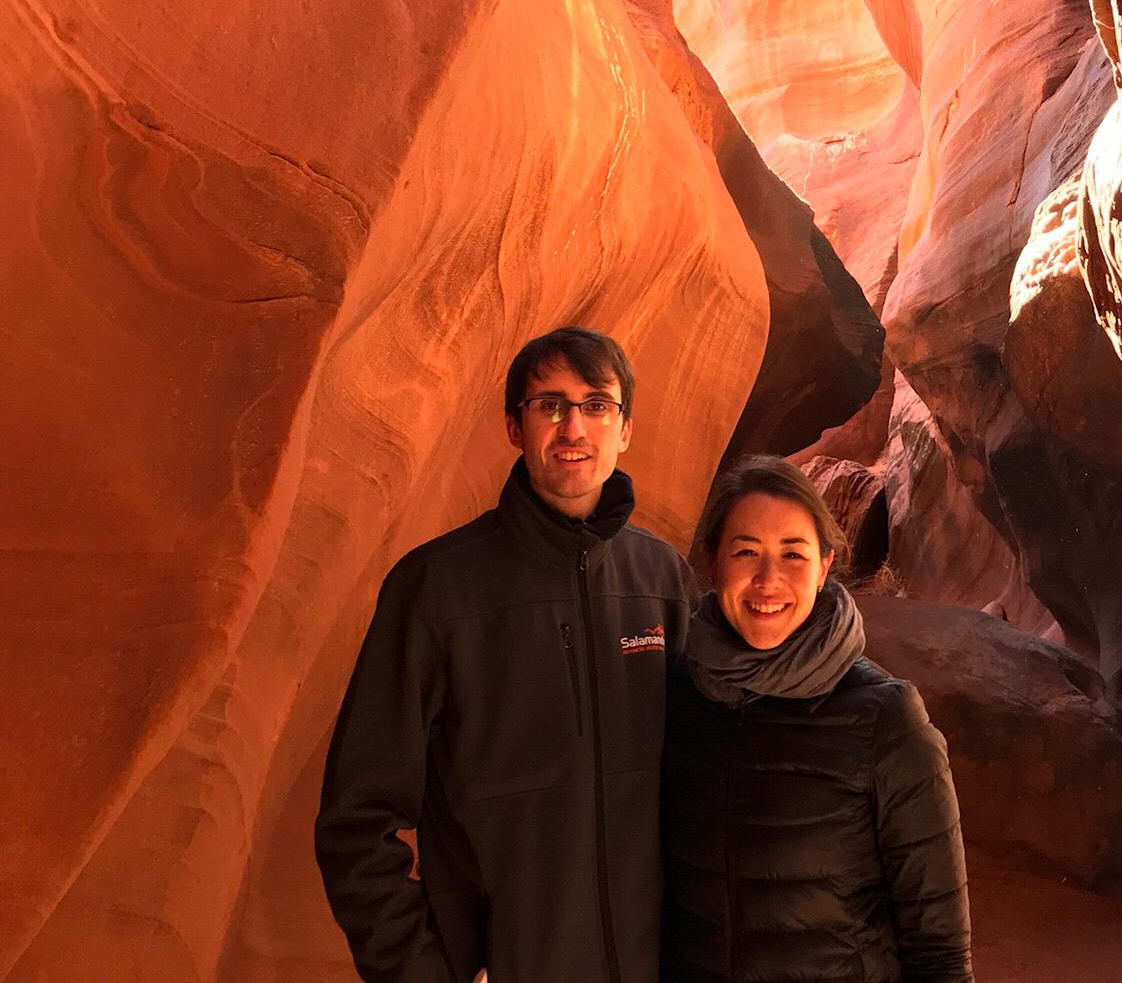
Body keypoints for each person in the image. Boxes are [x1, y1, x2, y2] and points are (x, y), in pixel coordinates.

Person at [315, 326, 697, 983]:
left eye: (597, 404)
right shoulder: (435, 589)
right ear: (515, 429)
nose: (573, 426)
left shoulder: (663, 581)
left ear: (625, 428)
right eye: (549, 404)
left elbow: (709, 784)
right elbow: (355, 824)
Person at [662, 455, 973, 983]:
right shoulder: (678, 695)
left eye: (793, 554)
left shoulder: (885, 719)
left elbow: (939, 949)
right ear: (713, 563)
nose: (768, 579)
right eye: (746, 552)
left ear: (825, 566)